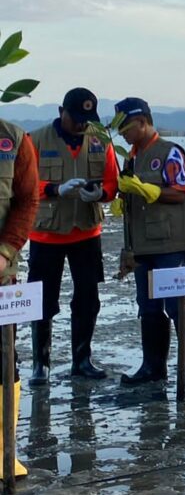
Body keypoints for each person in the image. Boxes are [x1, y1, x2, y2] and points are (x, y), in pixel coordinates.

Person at [26, 88, 119, 384]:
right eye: (75, 118)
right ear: (60, 111)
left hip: (86, 232)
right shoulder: (35, 140)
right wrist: (54, 189)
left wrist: (100, 193)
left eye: (85, 119)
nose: (80, 125)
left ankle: (82, 359)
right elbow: (23, 184)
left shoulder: (99, 139)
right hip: (46, 235)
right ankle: (41, 363)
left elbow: (112, 181)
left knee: (88, 299)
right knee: (41, 300)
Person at [114, 97, 185, 387]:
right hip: (141, 245)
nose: (123, 134)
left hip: (168, 243)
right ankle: (153, 367)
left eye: (125, 127)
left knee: (177, 306)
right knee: (148, 306)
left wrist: (150, 190)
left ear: (142, 122)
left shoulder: (169, 153)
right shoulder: (130, 157)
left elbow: (182, 191)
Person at [0, 116, 40, 478]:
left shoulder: (13, 140)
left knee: (4, 358)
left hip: (1, 270)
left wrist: (6, 250)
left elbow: (27, 199)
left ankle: (3, 452)